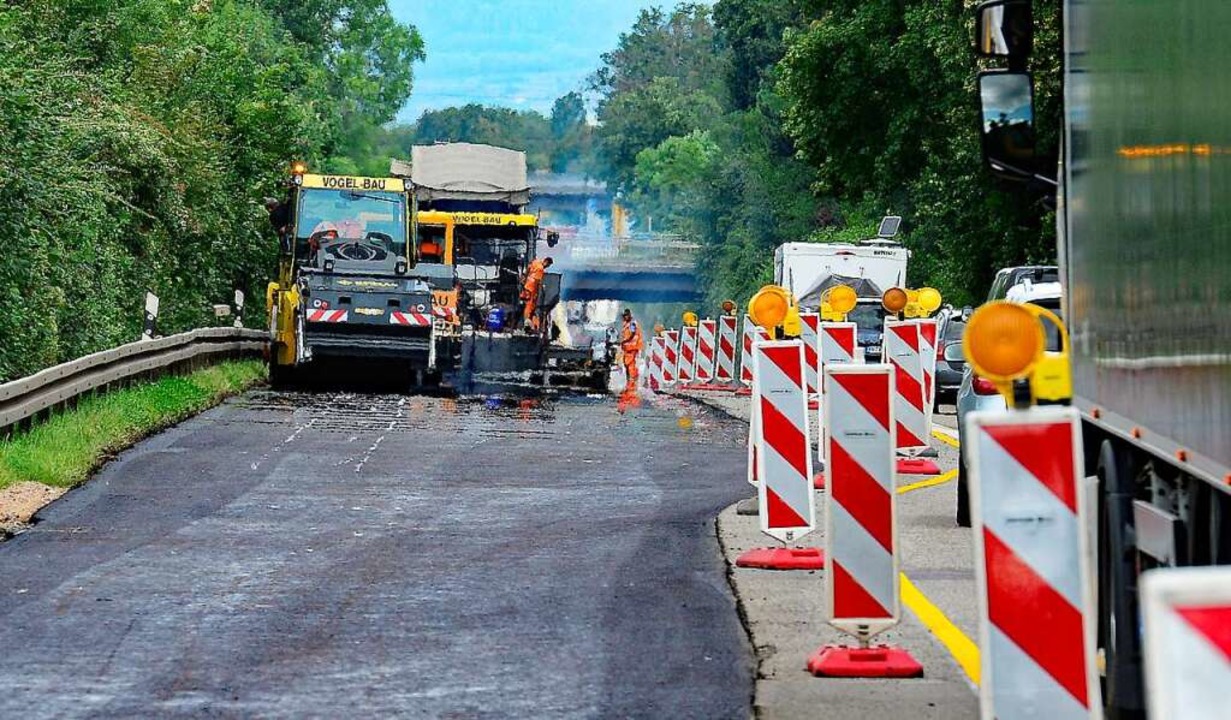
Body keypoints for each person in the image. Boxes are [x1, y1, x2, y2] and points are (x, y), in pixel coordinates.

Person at [521, 256, 553, 332]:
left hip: (526, 287)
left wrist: (524, 279)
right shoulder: (540, 269)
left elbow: (528, 269)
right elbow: (537, 282)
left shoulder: (535, 262)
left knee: (526, 304)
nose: (546, 267)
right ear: (546, 262)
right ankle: (527, 322)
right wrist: (542, 289)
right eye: (548, 265)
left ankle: (527, 320)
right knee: (530, 305)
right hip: (532, 289)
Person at [619, 308, 643, 391]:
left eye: (627, 315)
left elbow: (632, 334)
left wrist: (624, 341)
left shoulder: (632, 324)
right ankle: (629, 384)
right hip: (627, 349)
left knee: (631, 367)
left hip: (632, 349)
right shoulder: (625, 324)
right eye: (624, 316)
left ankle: (632, 386)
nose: (625, 317)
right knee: (626, 366)